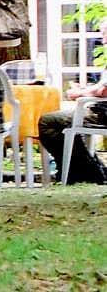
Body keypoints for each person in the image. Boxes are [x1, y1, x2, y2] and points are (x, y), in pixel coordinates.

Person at [38, 17, 107, 185]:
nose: (103, 40)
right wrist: (86, 88)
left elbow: (103, 90)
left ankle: (87, 170)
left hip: (104, 113)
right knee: (62, 122)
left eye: (105, 34)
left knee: (47, 121)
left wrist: (79, 93)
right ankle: (86, 169)